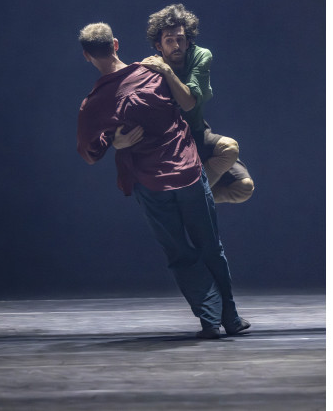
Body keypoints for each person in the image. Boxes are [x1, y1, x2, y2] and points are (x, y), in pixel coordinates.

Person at [75, 22, 250, 339]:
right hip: (188, 173)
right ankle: (231, 318)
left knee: (180, 253)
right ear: (115, 44)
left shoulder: (94, 102)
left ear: (87, 56)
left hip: (151, 184)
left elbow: (89, 154)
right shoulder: (153, 73)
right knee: (211, 246)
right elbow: (188, 104)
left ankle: (211, 321)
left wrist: (114, 141)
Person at [137, 3, 255, 204]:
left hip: (197, 132)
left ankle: (193, 197)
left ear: (188, 41)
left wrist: (167, 71)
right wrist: (119, 139)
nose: (176, 45)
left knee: (243, 187)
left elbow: (188, 103)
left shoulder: (200, 56)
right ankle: (191, 196)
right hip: (171, 144)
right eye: (169, 40)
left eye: (180, 39)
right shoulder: (149, 69)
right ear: (159, 45)